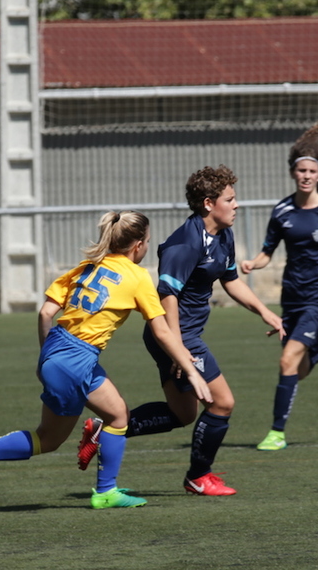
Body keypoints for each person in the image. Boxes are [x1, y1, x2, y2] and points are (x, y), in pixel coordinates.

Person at [0, 211, 212, 509]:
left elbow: (46, 312)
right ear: (138, 246)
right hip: (78, 359)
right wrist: (191, 371)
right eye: (147, 241)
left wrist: (46, 357)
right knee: (48, 440)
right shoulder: (137, 276)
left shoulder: (86, 266)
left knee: (118, 415)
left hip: (60, 349)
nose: (147, 246)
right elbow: (162, 331)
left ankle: (106, 491)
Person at [79, 167, 285, 496]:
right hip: (176, 336)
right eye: (230, 199)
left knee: (182, 413)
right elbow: (167, 296)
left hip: (180, 336)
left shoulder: (223, 235)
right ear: (208, 203)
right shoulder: (185, 243)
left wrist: (266, 313)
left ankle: (105, 431)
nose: (236, 205)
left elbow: (231, 280)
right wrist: (177, 347)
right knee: (222, 403)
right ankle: (198, 477)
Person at [241, 120, 318, 451]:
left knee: (287, 362)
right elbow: (268, 252)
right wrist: (253, 263)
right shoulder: (282, 211)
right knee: (298, 370)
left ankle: (276, 433)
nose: (306, 176)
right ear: (293, 173)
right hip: (292, 297)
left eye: (312, 171)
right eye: (301, 170)